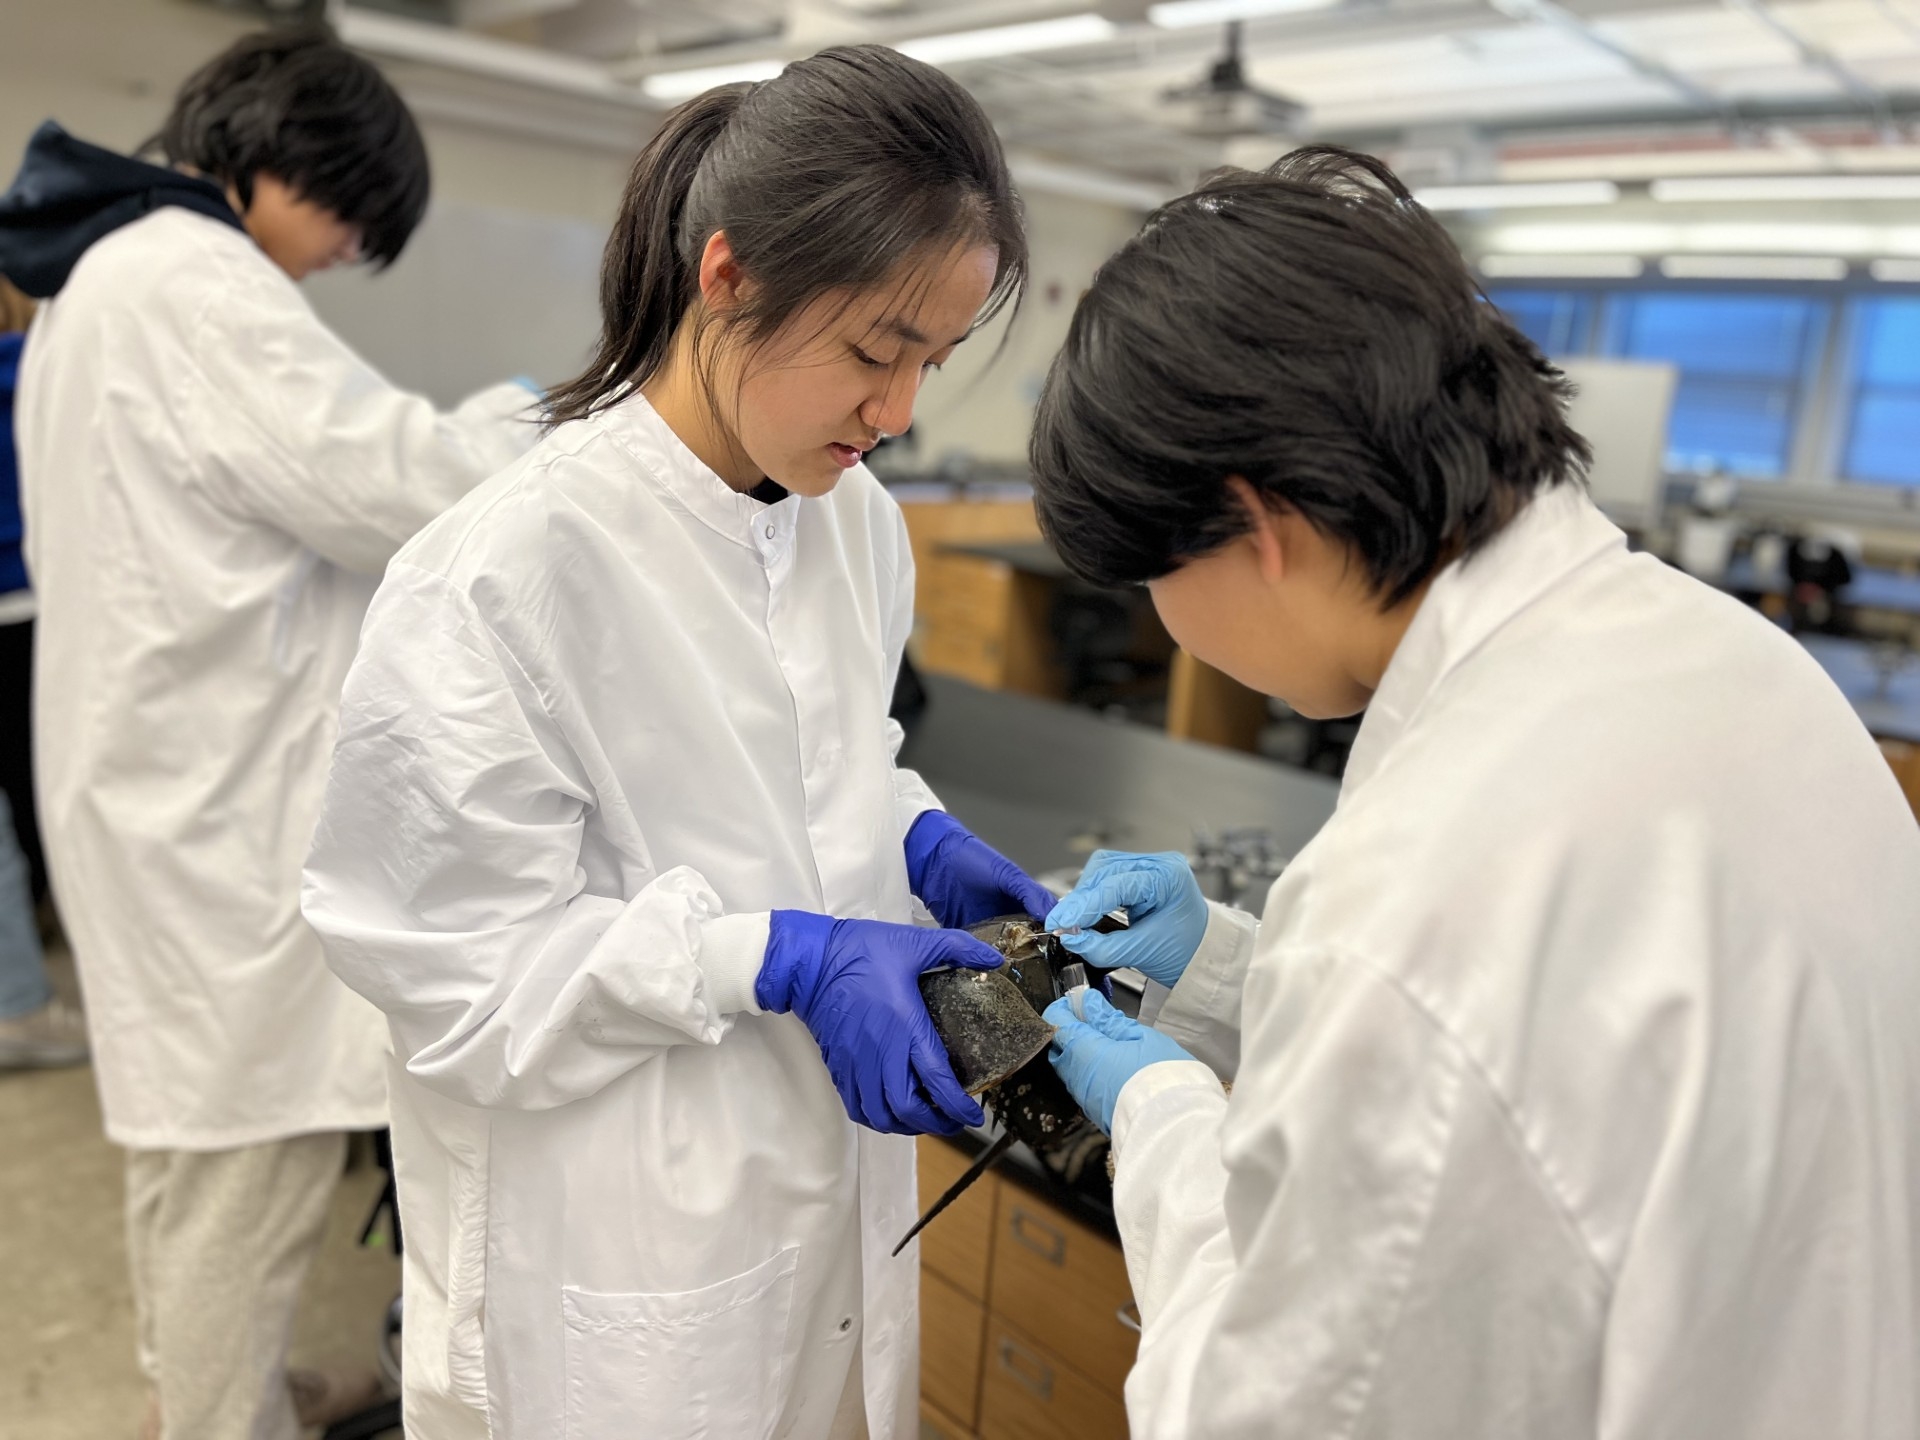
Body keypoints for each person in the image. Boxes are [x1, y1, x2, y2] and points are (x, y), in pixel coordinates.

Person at [1028, 147, 1920, 1440]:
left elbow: (1261, 1413)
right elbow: (1556, 1072)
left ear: (1257, 526)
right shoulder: (1738, 668)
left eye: (1149, 580)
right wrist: (1233, 971)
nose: (1163, 626)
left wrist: (1166, 1119)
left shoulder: (1409, 908)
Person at [301, 45, 1042, 1440]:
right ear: (726, 279)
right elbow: (453, 971)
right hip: (613, 1232)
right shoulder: (506, 569)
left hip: (823, 1201)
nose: (899, 415)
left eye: (930, 362)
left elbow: (835, 771)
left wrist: (917, 839)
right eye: (878, 350)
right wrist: (770, 953)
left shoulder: (852, 521)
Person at [0, 29, 543, 1440]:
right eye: (353, 219)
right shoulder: (192, 280)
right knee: (243, 1158)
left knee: (186, 1151)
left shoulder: (105, 276)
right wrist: (541, 421)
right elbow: (390, 482)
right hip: (213, 812)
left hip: (154, 780)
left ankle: (207, 1391)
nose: (343, 255)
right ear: (280, 162)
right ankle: (217, 1421)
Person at [0, 274, 85, 1069]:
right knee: (44, 810)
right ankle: (26, 1000)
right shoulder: (45, 365)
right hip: (30, 608)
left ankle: (20, 995)